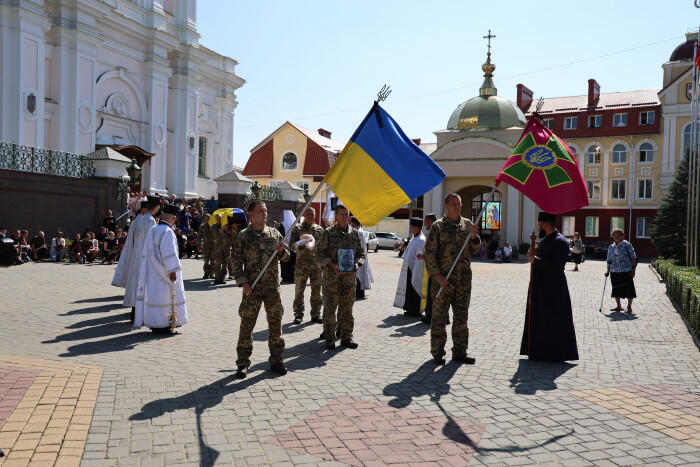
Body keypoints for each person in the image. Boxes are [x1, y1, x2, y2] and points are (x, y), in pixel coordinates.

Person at [232, 200, 289, 378]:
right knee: (247, 327)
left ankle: (277, 361)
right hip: (252, 289)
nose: (265, 214)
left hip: (272, 289)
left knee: (276, 327)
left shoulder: (274, 233)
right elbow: (235, 262)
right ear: (251, 214)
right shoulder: (243, 236)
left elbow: (286, 258)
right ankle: (243, 363)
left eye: (265, 211)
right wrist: (243, 282)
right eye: (261, 211)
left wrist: (281, 251)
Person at [423, 194, 481, 365]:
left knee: (461, 317)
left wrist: (474, 237)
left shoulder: (468, 225)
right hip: (443, 281)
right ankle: (438, 352)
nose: (457, 206)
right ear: (446, 206)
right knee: (439, 318)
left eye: (459, 203)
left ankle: (460, 351)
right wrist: (437, 275)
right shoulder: (438, 226)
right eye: (454, 203)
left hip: (463, 281)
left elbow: (475, 249)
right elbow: (430, 253)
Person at [521, 212, 579, 362]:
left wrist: (536, 260)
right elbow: (540, 258)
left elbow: (557, 265)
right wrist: (532, 255)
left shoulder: (561, 242)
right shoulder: (545, 240)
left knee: (554, 320)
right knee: (541, 319)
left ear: (544, 225)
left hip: (554, 288)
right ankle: (539, 351)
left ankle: (555, 353)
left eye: (539, 224)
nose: (537, 227)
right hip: (540, 286)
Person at [314, 204, 365, 350]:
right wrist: (331, 264)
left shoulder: (354, 234)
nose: (345, 217)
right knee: (330, 310)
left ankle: (346, 337)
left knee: (347, 310)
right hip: (332, 280)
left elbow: (361, 254)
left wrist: (357, 264)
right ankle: (330, 338)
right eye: (342, 214)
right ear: (335, 215)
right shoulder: (328, 233)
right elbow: (318, 255)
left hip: (349, 280)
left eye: (347, 214)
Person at [134, 203, 188, 333]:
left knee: (155, 297)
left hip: (153, 271)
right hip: (165, 271)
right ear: (173, 219)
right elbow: (169, 254)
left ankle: (155, 323)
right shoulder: (168, 232)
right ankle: (167, 322)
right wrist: (172, 271)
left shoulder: (152, 229)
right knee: (165, 297)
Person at [112, 195, 160, 322]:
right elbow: (151, 241)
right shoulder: (150, 221)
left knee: (137, 283)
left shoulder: (141, 219)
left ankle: (135, 312)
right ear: (156, 207)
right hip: (144, 256)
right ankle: (141, 314)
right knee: (143, 283)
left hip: (137, 255)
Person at [289, 207, 324, 325]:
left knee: (316, 291)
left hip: (316, 266)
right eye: (308, 214)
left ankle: (316, 314)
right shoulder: (298, 228)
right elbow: (291, 246)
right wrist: (299, 245)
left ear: (315, 215)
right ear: (304, 215)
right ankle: (298, 314)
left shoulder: (320, 229)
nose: (310, 216)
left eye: (312, 214)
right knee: (299, 291)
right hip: (301, 265)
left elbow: (324, 247)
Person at [393, 218, 427, 317]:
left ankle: (415, 310)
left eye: (411, 227)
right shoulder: (414, 238)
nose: (410, 229)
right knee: (409, 289)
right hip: (410, 268)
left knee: (414, 289)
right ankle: (409, 308)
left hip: (416, 269)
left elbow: (420, 259)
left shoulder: (421, 240)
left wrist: (416, 269)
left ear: (416, 228)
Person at [606, 228, 637, 314]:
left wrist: (633, 270)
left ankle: (629, 307)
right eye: (614, 236)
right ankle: (619, 306)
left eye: (618, 236)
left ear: (623, 236)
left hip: (626, 270)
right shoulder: (611, 247)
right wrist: (608, 270)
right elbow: (608, 259)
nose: (616, 238)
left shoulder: (627, 245)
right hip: (614, 271)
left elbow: (633, 257)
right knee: (616, 289)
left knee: (629, 290)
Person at [419, 214, 438, 325]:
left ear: (430, 221)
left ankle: (431, 317)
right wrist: (424, 255)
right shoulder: (431, 232)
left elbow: (434, 251)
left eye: (426, 221)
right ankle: (431, 316)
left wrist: (425, 256)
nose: (425, 223)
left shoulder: (434, 232)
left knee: (433, 295)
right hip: (431, 267)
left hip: (434, 269)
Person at [350, 217, 373, 299]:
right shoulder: (359, 230)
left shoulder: (358, 231)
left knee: (358, 275)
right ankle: (359, 293)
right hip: (360, 255)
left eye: (351, 222)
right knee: (359, 275)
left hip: (358, 256)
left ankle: (359, 294)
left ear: (355, 223)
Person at [213, 216, 237, 284]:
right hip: (218, 248)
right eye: (217, 218)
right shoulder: (214, 226)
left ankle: (222, 278)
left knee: (225, 264)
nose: (219, 219)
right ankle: (217, 279)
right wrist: (222, 229)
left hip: (227, 248)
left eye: (220, 218)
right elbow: (214, 234)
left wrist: (234, 229)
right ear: (215, 219)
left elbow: (233, 235)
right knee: (217, 263)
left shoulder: (228, 226)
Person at [199, 213, 215, 278]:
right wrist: (198, 244)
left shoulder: (213, 226)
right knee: (206, 260)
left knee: (213, 259)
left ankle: (212, 273)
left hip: (213, 245)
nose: (207, 219)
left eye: (208, 218)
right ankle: (206, 273)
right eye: (205, 218)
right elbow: (199, 236)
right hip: (206, 245)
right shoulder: (202, 226)